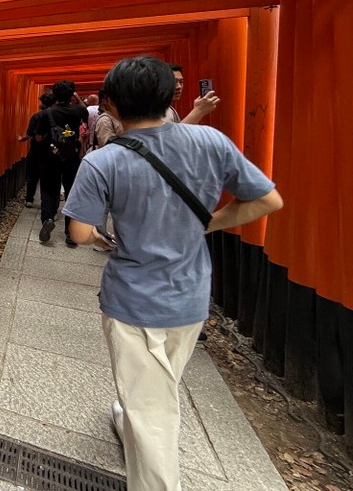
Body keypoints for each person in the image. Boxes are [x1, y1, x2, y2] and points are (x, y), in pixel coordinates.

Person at [63, 56, 282, 491]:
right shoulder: (210, 141)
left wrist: (106, 239)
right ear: (169, 97)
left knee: (153, 412)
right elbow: (266, 200)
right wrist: (208, 223)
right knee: (157, 388)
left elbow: (80, 232)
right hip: (190, 296)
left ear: (111, 104)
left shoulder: (104, 162)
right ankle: (127, 419)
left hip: (133, 299)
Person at [33, 80, 88, 247]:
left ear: (54, 95)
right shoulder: (78, 110)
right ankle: (70, 234)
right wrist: (77, 97)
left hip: (50, 157)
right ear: (71, 95)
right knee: (71, 191)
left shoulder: (46, 113)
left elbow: (38, 137)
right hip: (71, 156)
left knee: (49, 189)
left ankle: (48, 219)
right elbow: (85, 113)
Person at [16, 91, 55, 208]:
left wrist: (20, 138)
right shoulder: (57, 115)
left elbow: (28, 134)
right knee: (48, 177)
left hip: (36, 150)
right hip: (52, 151)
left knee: (32, 175)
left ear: (42, 102)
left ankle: (29, 199)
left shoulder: (37, 116)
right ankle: (46, 201)